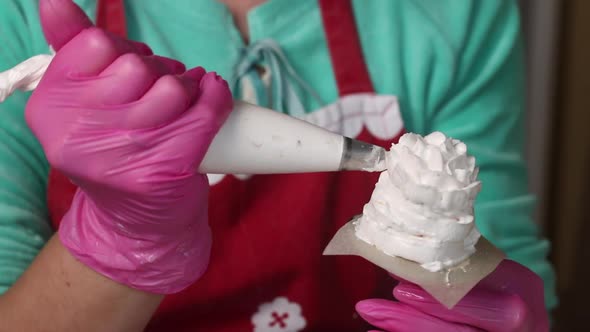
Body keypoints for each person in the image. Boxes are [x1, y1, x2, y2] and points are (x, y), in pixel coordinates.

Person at [0, 0, 556, 331]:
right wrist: (120, 242)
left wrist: (503, 307)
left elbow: (497, 248)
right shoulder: (26, 18)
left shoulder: (450, 14)